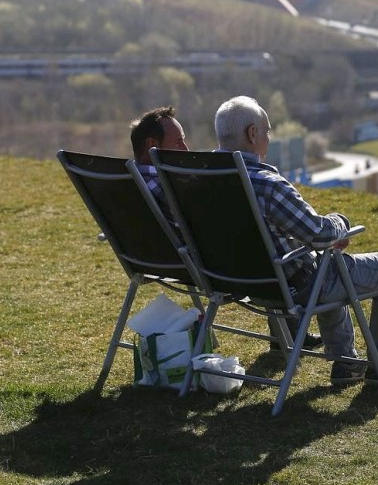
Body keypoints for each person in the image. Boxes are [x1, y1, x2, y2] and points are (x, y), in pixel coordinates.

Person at [213, 95, 378, 386]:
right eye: (267, 131)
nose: (268, 137)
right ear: (252, 134)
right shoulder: (267, 184)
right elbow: (320, 233)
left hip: (235, 281)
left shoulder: (198, 178)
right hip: (290, 285)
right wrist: (341, 222)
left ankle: (347, 364)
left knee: (322, 261)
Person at [129, 106, 322, 351]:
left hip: (148, 260)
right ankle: (293, 334)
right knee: (258, 236)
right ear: (151, 145)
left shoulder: (128, 180)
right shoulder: (168, 185)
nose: (186, 150)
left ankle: (286, 334)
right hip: (209, 266)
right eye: (178, 143)